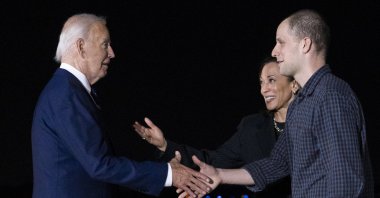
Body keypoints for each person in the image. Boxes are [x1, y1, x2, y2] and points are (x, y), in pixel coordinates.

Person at [181, 9, 374, 198]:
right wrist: (220, 175)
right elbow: (278, 163)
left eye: (281, 42)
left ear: (305, 44)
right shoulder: (300, 105)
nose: (275, 51)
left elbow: (346, 182)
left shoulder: (330, 96)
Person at [31, 13, 213, 198]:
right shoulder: (66, 95)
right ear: (81, 47)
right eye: (105, 44)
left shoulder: (69, 91)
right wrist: (168, 174)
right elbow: (100, 166)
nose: (112, 53)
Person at [133, 57, 299, 197]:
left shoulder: (313, 121)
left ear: (294, 84)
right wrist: (165, 145)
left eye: (271, 80)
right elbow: (212, 160)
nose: (263, 89)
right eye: (261, 82)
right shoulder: (251, 127)